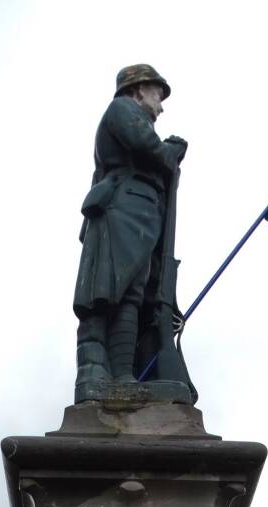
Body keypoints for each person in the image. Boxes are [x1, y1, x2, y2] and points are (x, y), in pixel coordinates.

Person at [73, 64, 187, 400]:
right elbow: (146, 145)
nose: (161, 105)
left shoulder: (131, 113)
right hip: (121, 209)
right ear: (138, 90)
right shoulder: (122, 109)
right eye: (157, 94)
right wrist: (170, 152)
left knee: (132, 295)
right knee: (107, 291)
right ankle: (94, 372)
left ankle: (122, 373)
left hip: (140, 214)